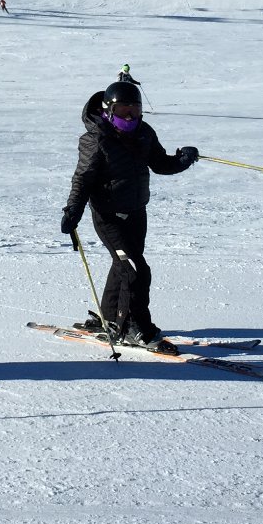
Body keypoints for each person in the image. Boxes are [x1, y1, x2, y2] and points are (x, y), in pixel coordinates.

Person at [60, 81, 198, 353]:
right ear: (108, 110)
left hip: (136, 213)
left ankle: (110, 318)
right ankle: (136, 327)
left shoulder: (144, 133)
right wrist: (73, 210)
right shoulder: (95, 139)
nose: (130, 116)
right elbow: (83, 178)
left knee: (123, 266)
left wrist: (183, 160)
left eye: (135, 109)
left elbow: (160, 164)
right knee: (136, 270)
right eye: (123, 110)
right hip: (109, 216)